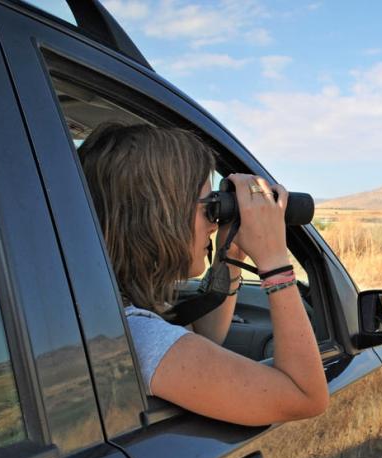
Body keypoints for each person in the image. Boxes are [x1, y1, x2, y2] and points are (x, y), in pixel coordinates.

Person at [78, 123, 329, 426]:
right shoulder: (135, 336)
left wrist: (231, 256)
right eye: (209, 207)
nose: (214, 223)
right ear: (160, 214)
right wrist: (274, 261)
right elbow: (304, 396)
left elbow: (202, 339)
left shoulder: (99, 311)